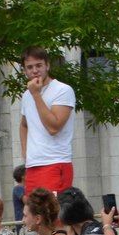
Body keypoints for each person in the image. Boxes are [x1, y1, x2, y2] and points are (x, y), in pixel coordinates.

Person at [18, 46, 76, 193]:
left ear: (47, 65)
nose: (35, 71)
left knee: (52, 213)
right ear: (25, 71)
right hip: (33, 165)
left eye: (39, 65)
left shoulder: (63, 90)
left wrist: (36, 95)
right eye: (29, 67)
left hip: (55, 162)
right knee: (33, 214)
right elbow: (24, 124)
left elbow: (53, 127)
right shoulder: (26, 95)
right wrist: (25, 151)